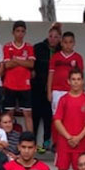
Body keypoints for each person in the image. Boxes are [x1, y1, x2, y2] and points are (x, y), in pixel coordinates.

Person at [53, 68, 85, 170]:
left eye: (78, 79)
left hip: (81, 143)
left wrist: (78, 137)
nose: (76, 82)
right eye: (73, 79)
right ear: (68, 81)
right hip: (65, 143)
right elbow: (57, 121)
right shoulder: (63, 99)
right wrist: (69, 137)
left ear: (82, 81)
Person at [32, 24, 61, 152]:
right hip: (37, 87)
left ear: (59, 38)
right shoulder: (38, 48)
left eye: (56, 37)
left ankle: (47, 143)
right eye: (50, 36)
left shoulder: (61, 51)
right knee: (35, 117)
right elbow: (31, 63)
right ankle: (32, 143)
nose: (53, 39)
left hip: (53, 89)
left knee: (49, 117)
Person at [2, 21, 35, 133]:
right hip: (10, 84)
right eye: (17, 31)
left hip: (25, 86)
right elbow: (7, 65)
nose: (20, 33)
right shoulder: (7, 46)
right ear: (13, 32)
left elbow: (31, 64)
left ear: (25, 33)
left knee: (28, 114)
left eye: (22, 31)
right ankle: (7, 140)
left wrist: (15, 60)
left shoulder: (29, 47)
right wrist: (23, 61)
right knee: (9, 115)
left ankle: (31, 141)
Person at [47, 31, 84, 115]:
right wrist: (49, 92)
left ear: (74, 43)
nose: (68, 45)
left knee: (71, 114)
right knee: (57, 115)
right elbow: (50, 75)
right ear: (61, 43)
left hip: (72, 90)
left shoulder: (78, 57)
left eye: (70, 42)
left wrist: (80, 91)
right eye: (65, 42)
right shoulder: (55, 57)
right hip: (57, 90)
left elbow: (80, 77)